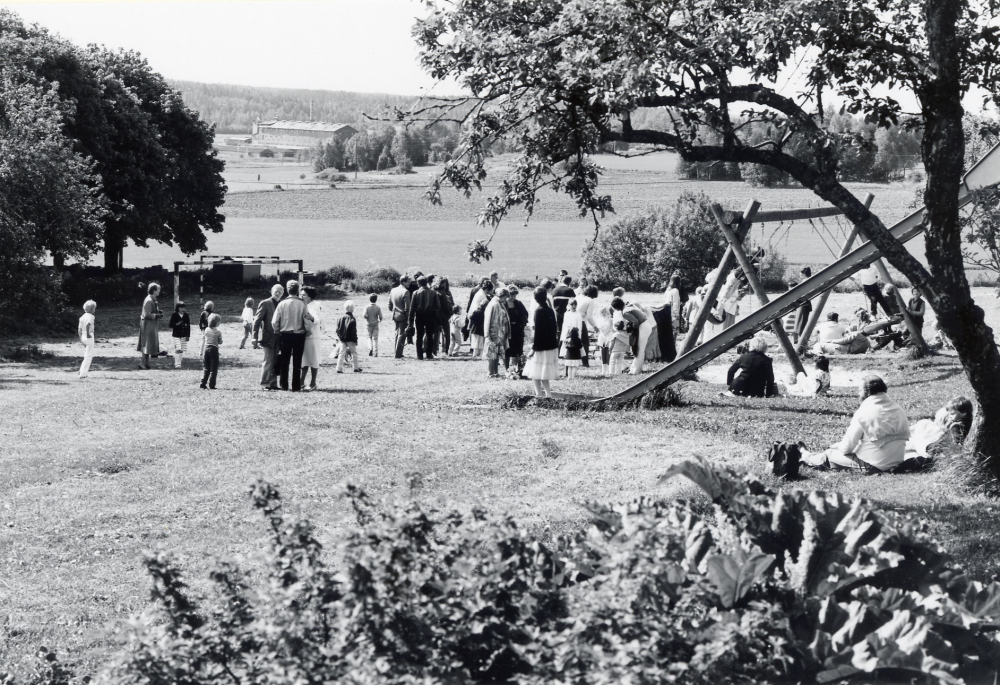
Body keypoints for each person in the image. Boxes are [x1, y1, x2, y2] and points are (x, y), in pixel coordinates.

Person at [801, 375, 910, 472]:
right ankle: (809, 455)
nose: (858, 394)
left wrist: (838, 447)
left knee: (829, 455)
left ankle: (806, 457)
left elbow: (846, 448)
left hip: (874, 465)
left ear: (867, 392)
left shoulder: (864, 412)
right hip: (897, 462)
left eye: (859, 390)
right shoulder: (898, 409)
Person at [271, 280, 313, 391]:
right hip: (299, 335)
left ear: (287, 290)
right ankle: (296, 386)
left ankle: (284, 385)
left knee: (284, 361)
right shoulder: (302, 304)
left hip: (285, 335)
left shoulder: (282, 303)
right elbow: (307, 320)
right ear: (298, 290)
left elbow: (275, 321)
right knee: (297, 362)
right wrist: (308, 331)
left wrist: (277, 331)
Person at [906, 396, 974, 458]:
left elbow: (957, 443)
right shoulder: (971, 421)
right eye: (949, 414)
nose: (950, 416)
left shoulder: (956, 426)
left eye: (952, 414)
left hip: (936, 450)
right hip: (939, 446)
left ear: (964, 412)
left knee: (918, 442)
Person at [525, 286, 559, 397]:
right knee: (543, 373)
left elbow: (538, 332)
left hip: (541, 346)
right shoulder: (550, 310)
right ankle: (548, 394)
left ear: (535, 298)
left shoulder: (538, 311)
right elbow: (554, 329)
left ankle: (539, 395)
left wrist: (533, 350)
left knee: (536, 372)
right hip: (551, 345)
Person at [611, 297, 654, 375]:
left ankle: (636, 371)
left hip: (643, 326)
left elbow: (635, 322)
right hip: (646, 325)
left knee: (639, 350)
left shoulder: (625, 312)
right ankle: (635, 368)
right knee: (640, 349)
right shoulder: (629, 305)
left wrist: (630, 328)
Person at [254, 283, 284, 390]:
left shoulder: (282, 304)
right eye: (276, 291)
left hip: (279, 337)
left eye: (280, 291)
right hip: (267, 337)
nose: (278, 293)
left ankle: (273, 383)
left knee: (275, 360)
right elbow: (257, 321)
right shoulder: (265, 303)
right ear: (271, 292)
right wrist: (254, 337)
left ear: (283, 293)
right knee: (268, 360)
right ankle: (264, 383)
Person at [408, 276, 440, 360]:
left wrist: (410, 322)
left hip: (419, 316)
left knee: (419, 336)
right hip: (430, 316)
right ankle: (429, 354)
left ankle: (419, 355)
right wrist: (435, 314)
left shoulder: (415, 293)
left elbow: (411, 308)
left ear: (419, 283)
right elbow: (438, 306)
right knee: (430, 335)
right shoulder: (433, 293)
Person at [484, 286, 511, 377]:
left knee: (496, 354)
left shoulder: (499, 303)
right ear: (501, 296)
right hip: (493, 333)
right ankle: (491, 372)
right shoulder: (494, 304)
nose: (506, 299)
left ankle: (495, 372)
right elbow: (488, 319)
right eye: (505, 297)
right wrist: (487, 333)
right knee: (492, 354)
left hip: (499, 333)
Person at [300, 286, 323, 390]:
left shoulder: (314, 306)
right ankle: (301, 381)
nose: (301, 296)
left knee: (314, 360)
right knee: (303, 360)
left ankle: (313, 383)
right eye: (300, 294)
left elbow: (318, 321)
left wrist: (311, 318)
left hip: (313, 337)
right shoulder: (302, 305)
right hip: (304, 336)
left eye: (303, 295)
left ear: (310, 296)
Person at [136, 283, 163, 370]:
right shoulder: (149, 300)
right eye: (158, 290)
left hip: (151, 325)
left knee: (150, 343)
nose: (159, 291)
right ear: (154, 290)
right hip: (147, 324)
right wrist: (156, 315)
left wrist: (158, 313)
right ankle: (142, 363)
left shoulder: (153, 299)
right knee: (146, 344)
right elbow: (147, 314)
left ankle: (146, 363)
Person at [505, 286, 530, 376]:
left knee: (518, 349)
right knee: (508, 348)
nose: (513, 297)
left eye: (515, 295)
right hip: (508, 329)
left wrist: (521, 323)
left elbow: (525, 314)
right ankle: (508, 368)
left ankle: (519, 367)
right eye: (512, 295)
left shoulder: (518, 303)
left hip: (518, 329)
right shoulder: (504, 304)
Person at [468, 280, 494, 358]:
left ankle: (478, 352)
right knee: (479, 336)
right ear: (488, 289)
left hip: (477, 316)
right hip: (478, 317)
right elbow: (479, 307)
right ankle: (478, 352)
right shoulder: (481, 295)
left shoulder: (481, 293)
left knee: (478, 337)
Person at [560, 298, 584, 378]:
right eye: (572, 304)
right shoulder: (566, 314)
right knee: (566, 354)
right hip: (567, 334)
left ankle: (571, 374)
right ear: (569, 305)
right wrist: (564, 336)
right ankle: (566, 372)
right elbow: (564, 324)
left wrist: (578, 336)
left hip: (574, 335)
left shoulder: (578, 314)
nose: (573, 306)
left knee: (573, 354)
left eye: (575, 304)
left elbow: (579, 326)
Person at [388, 275, 411, 358]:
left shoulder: (393, 290)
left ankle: (396, 352)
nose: (409, 283)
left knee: (397, 334)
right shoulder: (406, 292)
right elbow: (407, 307)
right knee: (402, 334)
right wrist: (409, 318)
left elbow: (389, 304)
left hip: (395, 314)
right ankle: (398, 354)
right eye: (408, 281)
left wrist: (392, 310)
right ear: (403, 282)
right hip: (402, 315)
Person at [335, 300, 362, 373]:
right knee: (354, 353)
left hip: (342, 339)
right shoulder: (352, 319)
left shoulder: (340, 318)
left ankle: (339, 368)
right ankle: (356, 367)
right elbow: (353, 331)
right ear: (352, 309)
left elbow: (337, 329)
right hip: (350, 339)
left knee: (341, 353)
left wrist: (340, 337)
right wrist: (355, 340)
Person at [577, 285, 599, 367]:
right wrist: (595, 326)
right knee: (585, 342)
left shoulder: (578, 297)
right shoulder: (590, 301)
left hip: (572, 320)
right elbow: (589, 317)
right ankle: (585, 362)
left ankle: (576, 360)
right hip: (581, 321)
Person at [200, 313, 222, 390]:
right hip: (214, 349)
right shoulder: (218, 332)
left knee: (206, 367)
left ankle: (203, 383)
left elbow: (205, 338)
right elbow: (220, 342)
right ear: (217, 323)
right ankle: (212, 385)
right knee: (214, 368)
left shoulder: (206, 330)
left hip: (206, 348)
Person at [168, 301, 191, 369]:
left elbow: (188, 326)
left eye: (183, 307)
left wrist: (188, 335)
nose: (182, 309)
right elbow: (170, 325)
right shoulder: (174, 315)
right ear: (178, 308)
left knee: (182, 349)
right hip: (176, 335)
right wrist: (176, 324)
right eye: (181, 307)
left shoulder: (186, 315)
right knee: (178, 348)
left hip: (184, 335)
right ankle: (176, 363)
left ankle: (179, 363)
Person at [436, 278, 455, 355]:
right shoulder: (441, 292)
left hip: (444, 315)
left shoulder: (448, 293)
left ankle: (445, 348)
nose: (444, 285)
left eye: (446, 284)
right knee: (440, 332)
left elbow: (452, 303)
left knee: (445, 333)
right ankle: (438, 348)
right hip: (443, 314)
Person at [78, 300, 96, 379]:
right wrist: (89, 335)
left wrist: (81, 338)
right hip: (89, 335)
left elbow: (79, 329)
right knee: (89, 355)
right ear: (92, 309)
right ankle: (83, 373)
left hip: (83, 335)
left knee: (86, 354)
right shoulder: (91, 316)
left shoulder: (82, 317)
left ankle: (81, 370)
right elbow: (88, 325)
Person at [596, 306, 614, 376]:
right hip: (602, 336)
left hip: (609, 336)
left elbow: (609, 329)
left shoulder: (610, 319)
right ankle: (604, 370)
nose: (603, 313)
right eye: (602, 312)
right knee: (602, 353)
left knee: (608, 353)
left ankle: (609, 370)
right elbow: (600, 328)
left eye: (604, 312)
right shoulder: (599, 320)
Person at [664, 275, 683, 341]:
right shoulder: (675, 290)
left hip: (667, 311)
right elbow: (675, 303)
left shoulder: (667, 290)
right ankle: (673, 343)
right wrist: (677, 314)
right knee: (675, 330)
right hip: (673, 313)